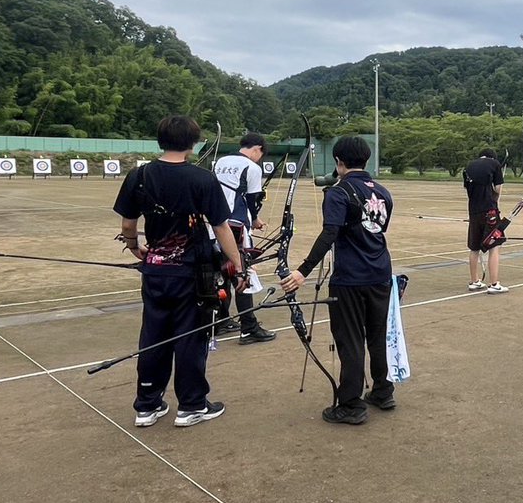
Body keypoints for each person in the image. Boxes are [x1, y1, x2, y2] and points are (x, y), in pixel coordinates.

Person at [114, 115, 245, 428]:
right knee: (190, 338)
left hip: (155, 272)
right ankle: (191, 404)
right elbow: (221, 226)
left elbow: (128, 224)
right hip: (191, 274)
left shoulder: (139, 175)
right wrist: (237, 264)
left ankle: (147, 405)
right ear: (193, 142)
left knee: (154, 335)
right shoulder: (201, 179)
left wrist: (135, 247)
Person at [280, 136, 394, 425]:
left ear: (339, 162)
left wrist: (302, 271)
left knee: (351, 339)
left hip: (351, 278)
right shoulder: (382, 191)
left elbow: (330, 233)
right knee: (377, 334)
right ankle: (382, 390)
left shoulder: (339, 192)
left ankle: (351, 404)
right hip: (380, 273)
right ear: (366, 160)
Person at [213, 132, 276, 344]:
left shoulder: (221, 161)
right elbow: (252, 200)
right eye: (261, 154)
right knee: (242, 272)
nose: (260, 158)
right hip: (236, 225)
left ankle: (221, 320)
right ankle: (249, 328)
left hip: (213, 224)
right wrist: (255, 219)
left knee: (222, 271)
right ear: (257, 148)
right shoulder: (253, 168)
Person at [463, 148, 508, 293]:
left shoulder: (469, 166)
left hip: (474, 210)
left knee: (474, 247)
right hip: (490, 211)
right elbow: (498, 189)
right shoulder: (495, 164)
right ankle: (494, 284)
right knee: (494, 245)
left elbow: (468, 189)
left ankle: (474, 281)